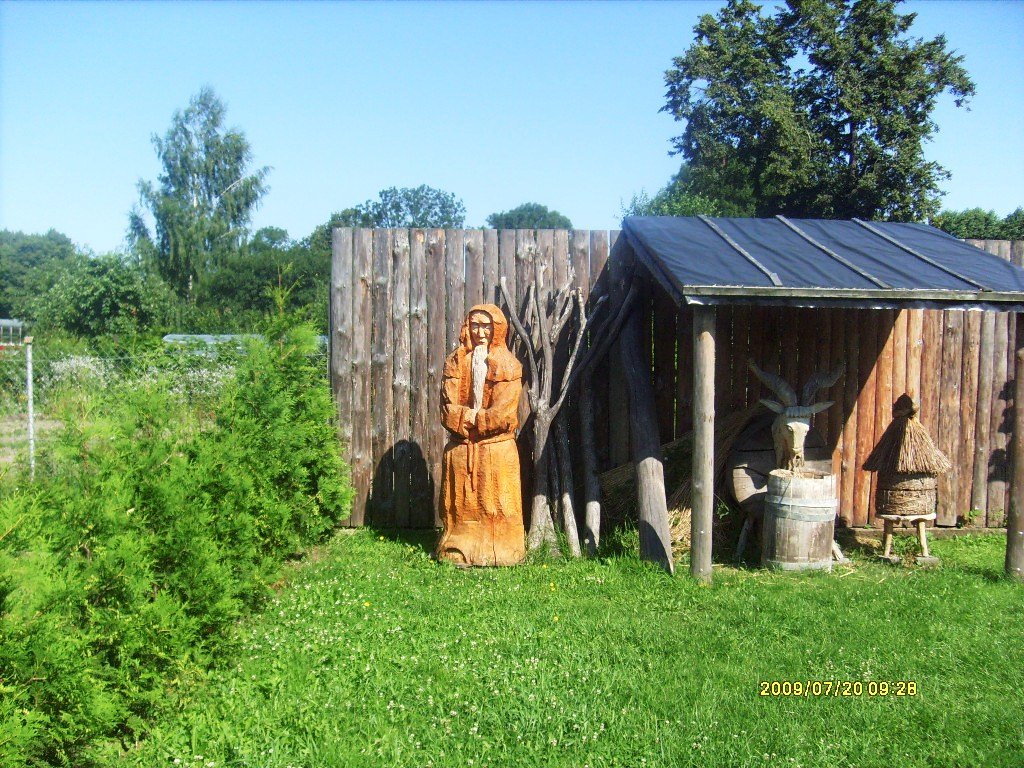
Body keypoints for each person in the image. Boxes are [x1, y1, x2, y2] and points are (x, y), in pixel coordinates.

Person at [435, 303, 525, 566]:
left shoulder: (508, 365)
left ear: (497, 329)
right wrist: (466, 418)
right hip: (462, 445)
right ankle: (458, 545)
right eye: (474, 325)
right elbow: (447, 407)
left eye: (486, 326)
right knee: (462, 503)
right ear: (467, 327)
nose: (480, 332)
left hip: (495, 448)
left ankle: (501, 549)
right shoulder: (455, 361)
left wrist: (479, 419)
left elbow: (504, 412)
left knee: (496, 504)